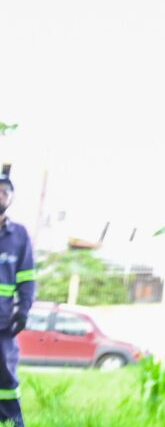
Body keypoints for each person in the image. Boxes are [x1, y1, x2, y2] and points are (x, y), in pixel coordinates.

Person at [0, 166, 35, 427]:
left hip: (4, 322)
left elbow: (26, 278)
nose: (0, 195)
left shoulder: (19, 235)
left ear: (10, 199)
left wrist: (23, 311)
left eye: (4, 192)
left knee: (6, 376)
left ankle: (12, 421)